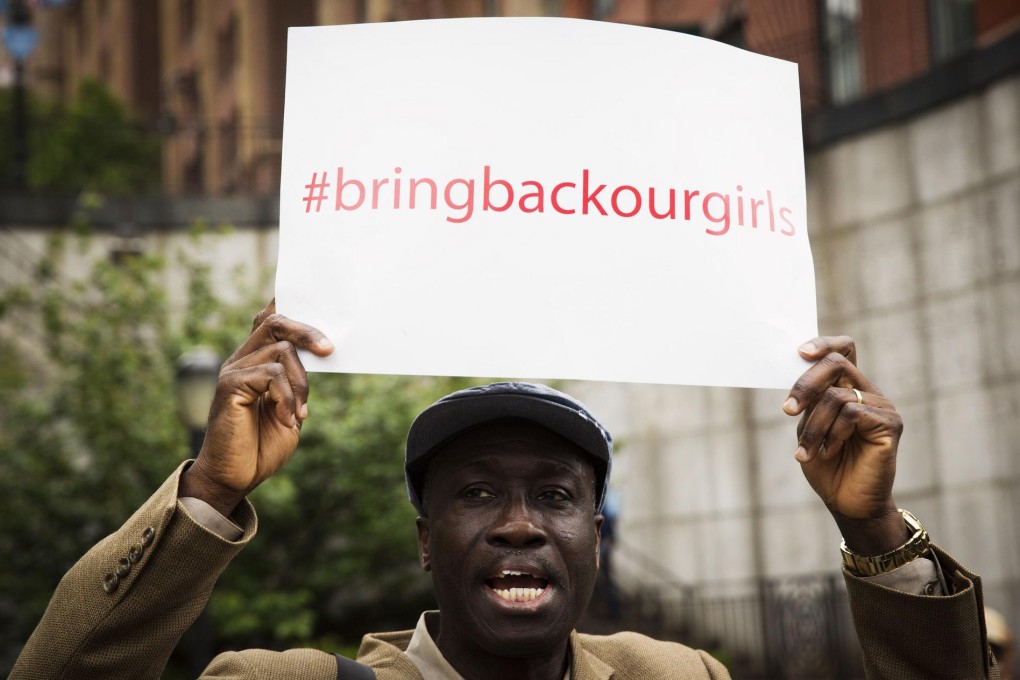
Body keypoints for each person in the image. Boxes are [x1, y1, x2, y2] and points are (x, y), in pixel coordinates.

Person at [10, 302, 1003, 679]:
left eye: (557, 494)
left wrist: (871, 523)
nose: (521, 522)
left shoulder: (676, 677)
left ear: (597, 537)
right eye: (478, 491)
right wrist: (212, 490)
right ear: (426, 542)